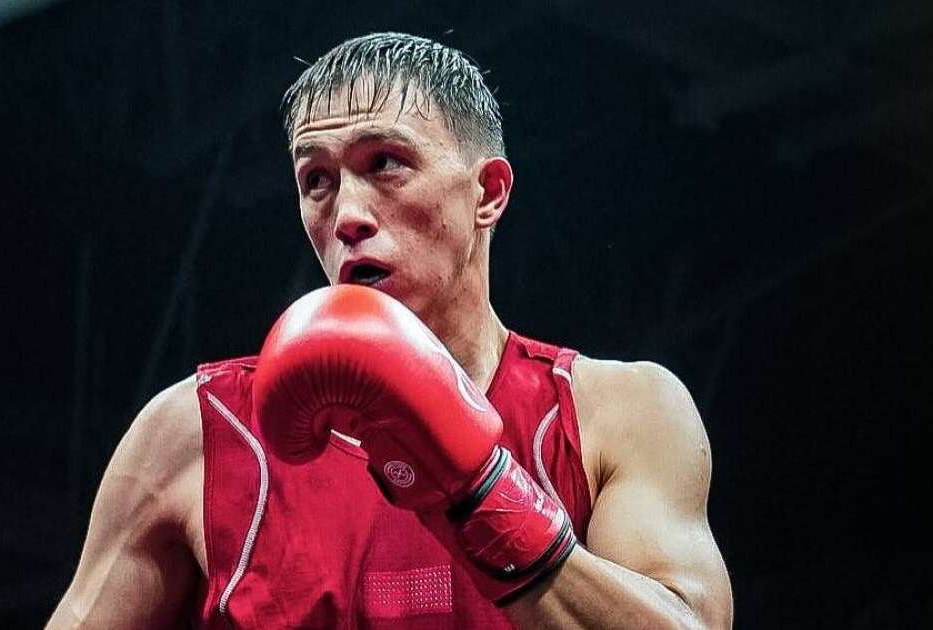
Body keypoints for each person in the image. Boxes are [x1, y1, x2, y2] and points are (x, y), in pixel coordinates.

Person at [47, 32, 733, 629]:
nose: (347, 213)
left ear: (487, 193)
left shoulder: (620, 415)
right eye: (316, 179)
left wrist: (478, 491)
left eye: (385, 164)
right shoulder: (198, 435)